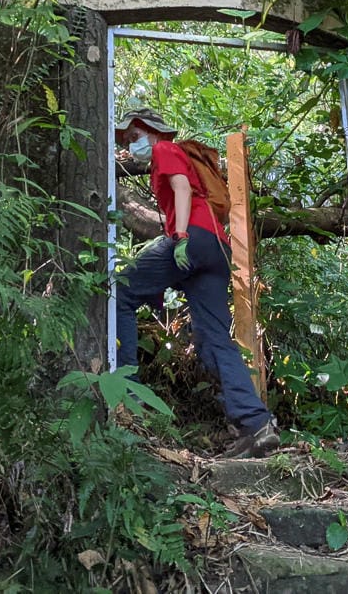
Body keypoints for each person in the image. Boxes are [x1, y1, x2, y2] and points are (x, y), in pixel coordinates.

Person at [114, 107, 279, 458]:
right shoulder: (170, 154)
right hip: (217, 248)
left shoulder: (163, 149)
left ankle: (125, 395)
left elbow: (181, 189)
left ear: (147, 129)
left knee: (121, 291)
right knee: (215, 339)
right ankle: (256, 425)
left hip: (196, 239)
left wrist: (182, 235)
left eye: (132, 137)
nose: (130, 146)